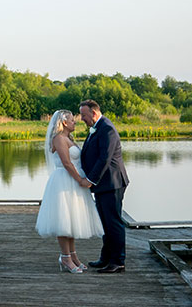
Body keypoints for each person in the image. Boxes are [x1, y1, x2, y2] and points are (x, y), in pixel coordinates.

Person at [34, 109, 102, 273]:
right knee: (63, 220)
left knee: (71, 219)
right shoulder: (58, 138)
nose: (75, 122)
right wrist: (80, 180)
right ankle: (65, 257)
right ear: (64, 122)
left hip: (72, 181)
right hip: (64, 181)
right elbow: (66, 163)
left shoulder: (68, 138)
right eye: (72, 120)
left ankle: (72, 255)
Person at [78, 99, 130, 273]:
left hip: (112, 183)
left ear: (94, 113)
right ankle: (106, 258)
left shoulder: (107, 128)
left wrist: (90, 180)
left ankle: (118, 261)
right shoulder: (96, 128)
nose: (81, 119)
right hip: (103, 184)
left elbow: (104, 159)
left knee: (113, 222)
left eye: (84, 115)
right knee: (105, 223)